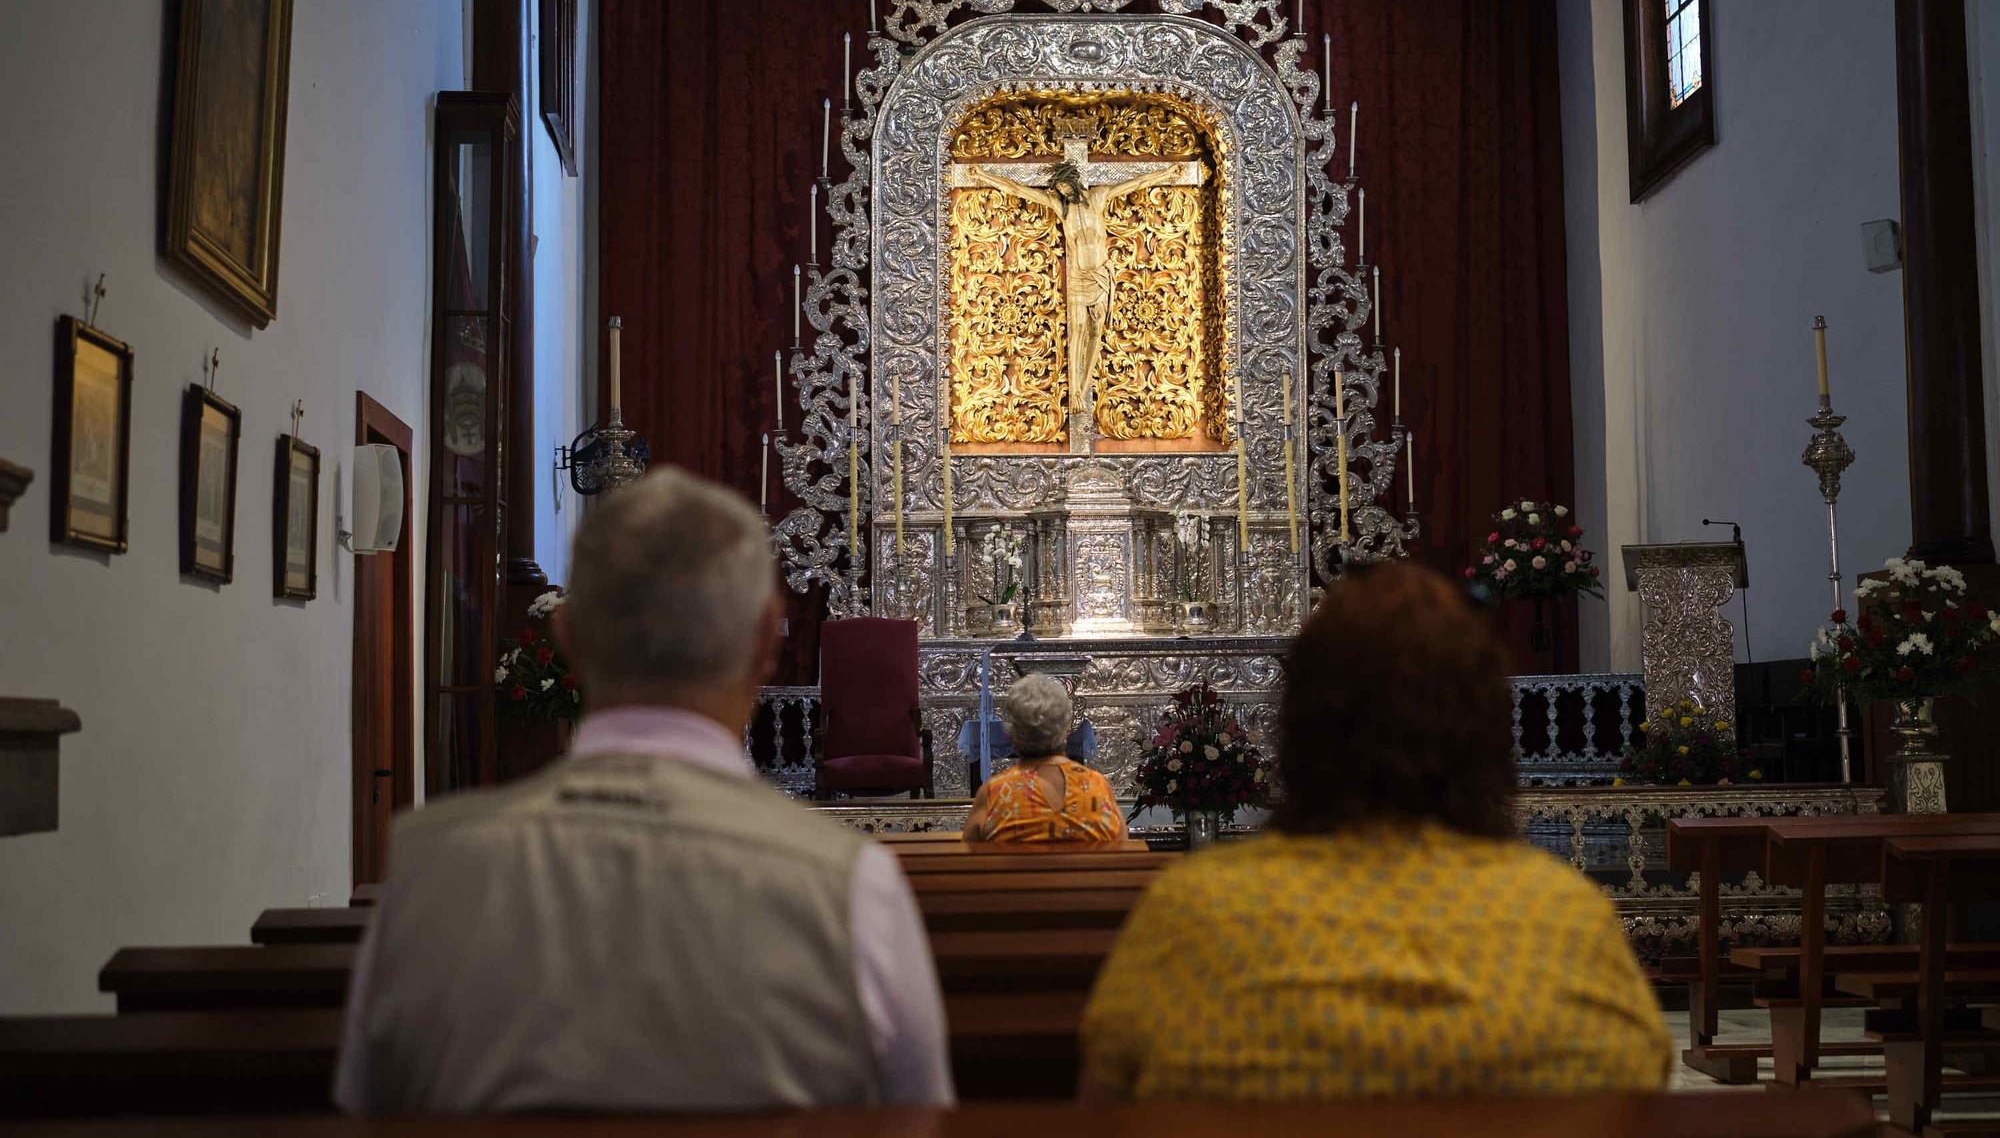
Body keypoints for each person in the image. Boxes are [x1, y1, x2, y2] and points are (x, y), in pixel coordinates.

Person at [335, 468, 953, 1113]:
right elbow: (917, 1116)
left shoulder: (429, 870)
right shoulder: (852, 888)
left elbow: (371, 1108)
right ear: (766, 640)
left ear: (566, 635)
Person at [1080, 561, 1671, 1100]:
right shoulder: (1566, 919)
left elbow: (1106, 1090)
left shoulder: (1194, 912)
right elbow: (1642, 1077)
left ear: (1299, 728)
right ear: (1485, 732)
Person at [961, 675, 1126, 845]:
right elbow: (1121, 845)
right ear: (1066, 727)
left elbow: (968, 855)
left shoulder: (994, 792)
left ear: (1012, 733)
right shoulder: (1096, 786)